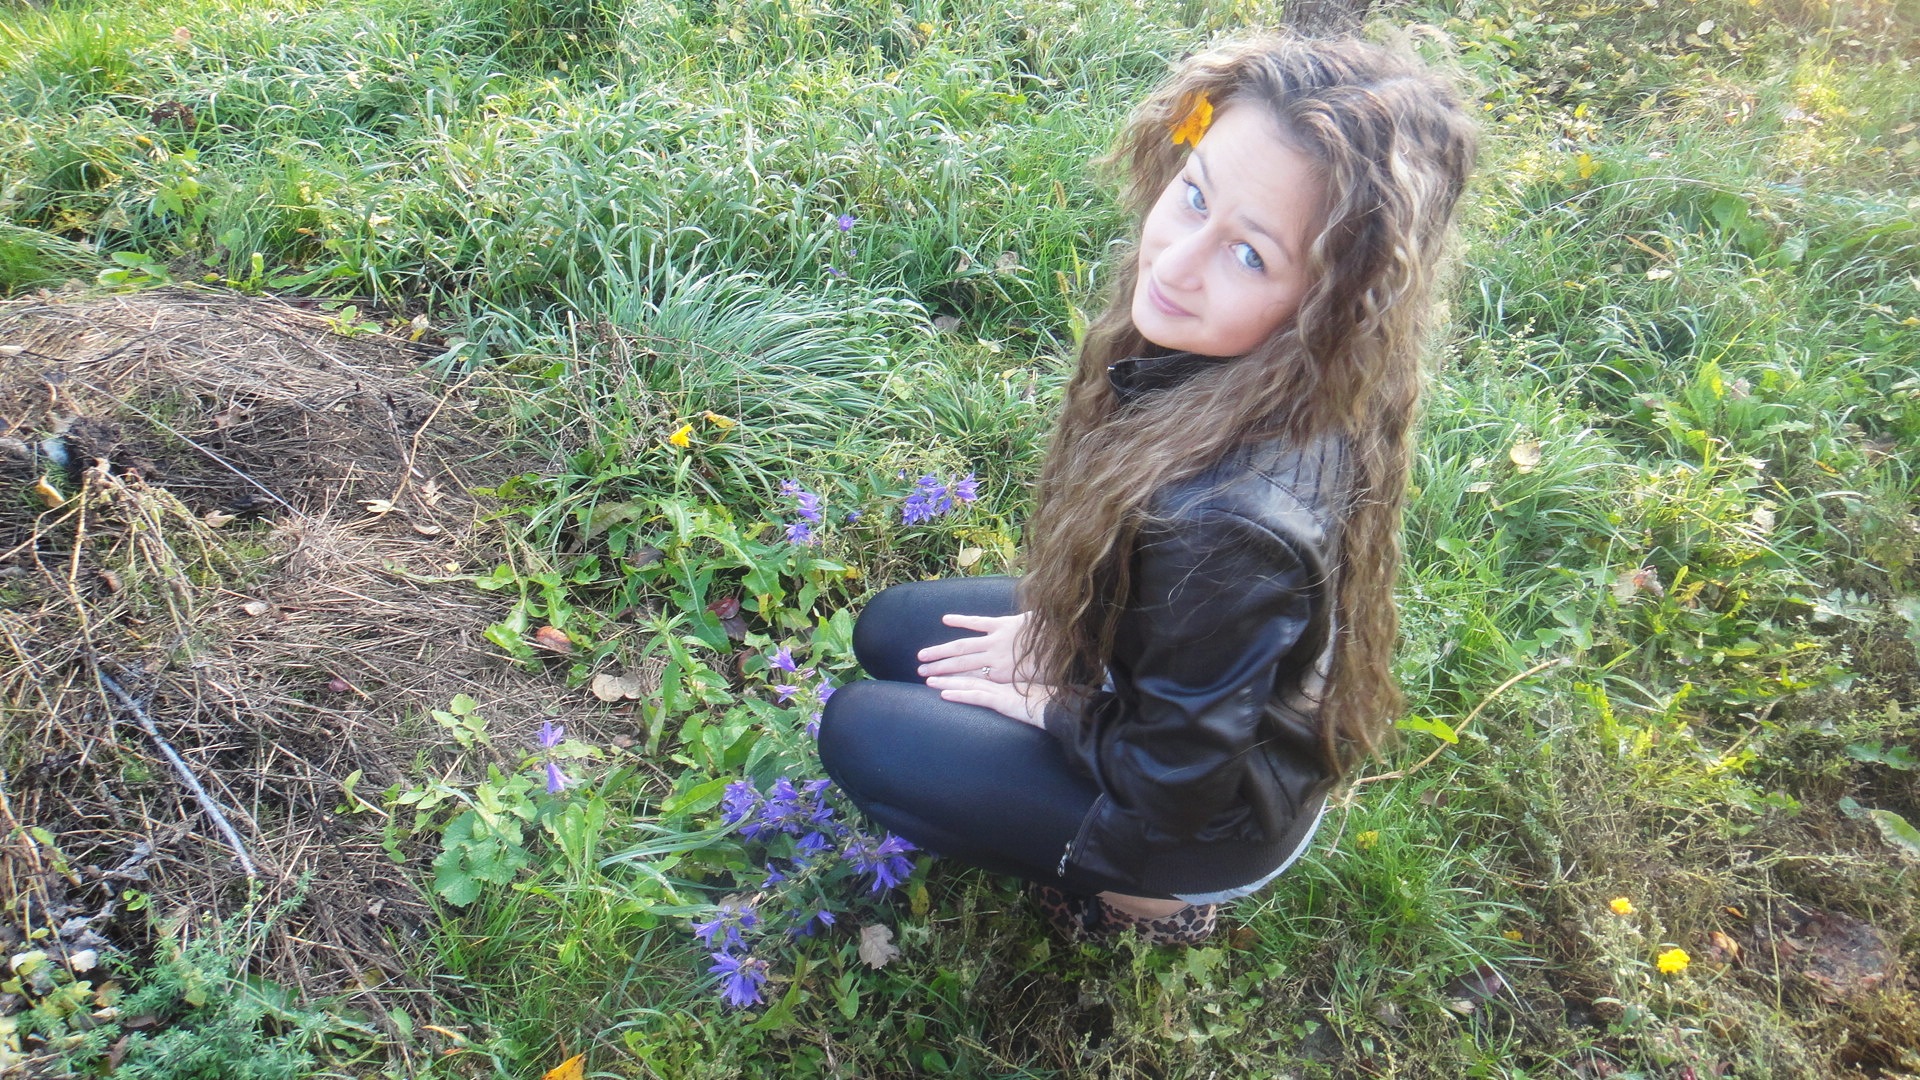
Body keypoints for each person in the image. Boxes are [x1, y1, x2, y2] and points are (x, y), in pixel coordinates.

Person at [817, 33, 1478, 945]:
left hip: (1200, 819)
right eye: (1195, 195)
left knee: (860, 732)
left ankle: (1153, 905)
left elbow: (1174, 786)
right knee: (890, 631)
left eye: (1250, 255)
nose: (1174, 263)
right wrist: (1069, 644)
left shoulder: (1233, 528)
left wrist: (1056, 702)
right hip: (1179, 689)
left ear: (1328, 302)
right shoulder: (1292, 368)